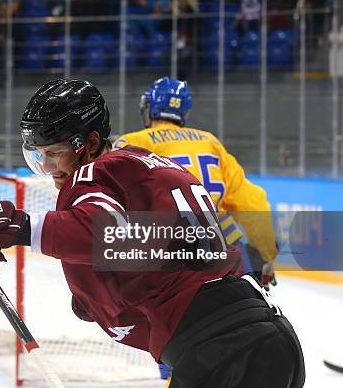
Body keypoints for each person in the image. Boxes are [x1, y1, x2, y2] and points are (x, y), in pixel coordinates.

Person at [0, 79, 305, 387]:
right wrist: (100, 294)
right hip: (271, 336)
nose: (49, 167)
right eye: (38, 156)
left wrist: (13, 224)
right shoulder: (152, 163)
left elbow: (105, 233)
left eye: (53, 153)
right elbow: (155, 246)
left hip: (218, 353)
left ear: (88, 144)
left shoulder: (93, 171)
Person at [114, 77, 279, 289]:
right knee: (249, 307)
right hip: (222, 243)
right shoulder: (209, 141)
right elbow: (252, 202)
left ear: (150, 108)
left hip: (167, 248)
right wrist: (266, 254)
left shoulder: (133, 141)